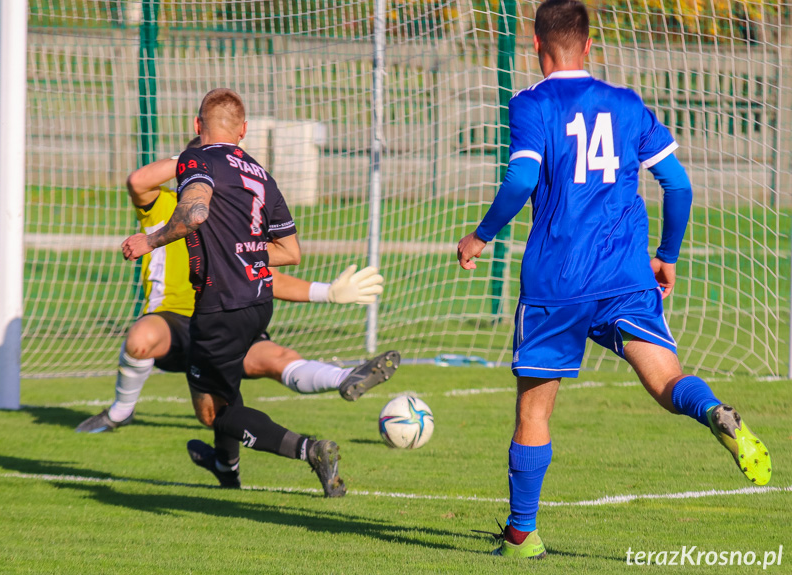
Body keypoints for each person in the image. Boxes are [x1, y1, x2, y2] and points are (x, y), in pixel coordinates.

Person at [457, 0, 771, 558]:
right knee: (665, 379)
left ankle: (523, 536)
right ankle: (713, 411)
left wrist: (481, 235)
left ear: (536, 47)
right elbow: (678, 186)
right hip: (626, 275)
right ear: (589, 45)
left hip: (558, 280)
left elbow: (523, 175)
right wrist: (666, 254)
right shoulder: (626, 104)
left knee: (533, 411)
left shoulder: (531, 102)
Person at [77, 137, 399, 436]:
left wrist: (326, 292)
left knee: (262, 372)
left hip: (222, 318)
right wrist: (198, 156)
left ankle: (345, 378)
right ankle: (120, 412)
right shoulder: (163, 204)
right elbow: (138, 181)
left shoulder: (234, 219)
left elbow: (265, 276)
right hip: (173, 321)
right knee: (140, 337)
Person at [122, 89, 354, 497]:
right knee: (221, 395)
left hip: (219, 306)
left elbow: (194, 212)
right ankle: (225, 467)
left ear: (198, 127)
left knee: (219, 413)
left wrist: (151, 240)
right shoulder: (262, 175)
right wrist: (240, 251)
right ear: (244, 131)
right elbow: (290, 252)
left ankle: (311, 449)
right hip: (257, 302)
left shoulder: (197, 159)